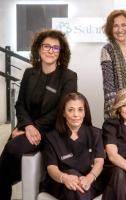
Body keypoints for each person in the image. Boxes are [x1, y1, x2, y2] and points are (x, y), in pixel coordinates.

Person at [0, 29, 77, 199]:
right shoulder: (30, 73)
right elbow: (20, 104)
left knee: (12, 149)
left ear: (61, 52)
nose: (50, 51)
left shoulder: (68, 77)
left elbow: (62, 110)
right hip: (28, 130)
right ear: (39, 49)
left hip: (52, 132)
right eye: (46, 46)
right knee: (7, 157)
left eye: (55, 48)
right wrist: (27, 125)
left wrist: (33, 128)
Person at [42, 92, 104, 200]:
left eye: (80, 109)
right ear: (63, 113)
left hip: (89, 182)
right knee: (73, 184)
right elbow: (51, 167)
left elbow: (99, 161)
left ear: (85, 112)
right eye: (70, 110)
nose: (76, 114)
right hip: (61, 183)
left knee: (77, 190)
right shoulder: (51, 137)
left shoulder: (95, 133)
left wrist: (89, 178)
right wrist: (64, 178)